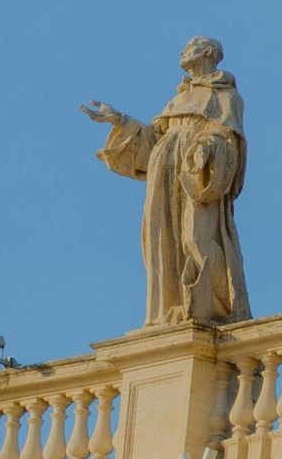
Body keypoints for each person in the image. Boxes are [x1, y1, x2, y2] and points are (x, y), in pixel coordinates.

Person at [84, 43, 252, 332]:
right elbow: (152, 142)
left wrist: (207, 147)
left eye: (194, 47)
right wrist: (119, 120)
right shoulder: (180, 98)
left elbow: (230, 138)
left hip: (195, 171)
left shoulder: (225, 94)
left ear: (210, 53)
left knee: (196, 236)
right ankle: (171, 309)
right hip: (165, 170)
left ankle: (207, 308)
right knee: (162, 239)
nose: (185, 51)